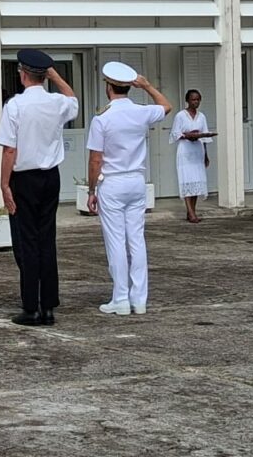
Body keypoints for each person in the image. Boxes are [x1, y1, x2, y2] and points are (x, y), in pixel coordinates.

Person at [0, 49, 78, 327]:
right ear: (44, 75)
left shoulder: (15, 105)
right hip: (50, 176)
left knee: (27, 242)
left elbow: (9, 150)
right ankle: (48, 305)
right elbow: (73, 100)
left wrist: (4, 184)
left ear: (22, 74)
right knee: (47, 240)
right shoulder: (56, 102)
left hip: (24, 178)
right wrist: (55, 75)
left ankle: (31, 306)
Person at [86, 62, 171, 316]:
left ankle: (121, 298)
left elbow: (95, 160)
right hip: (136, 180)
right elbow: (166, 106)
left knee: (116, 242)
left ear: (108, 87)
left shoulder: (102, 118)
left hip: (112, 182)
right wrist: (147, 86)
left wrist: (91, 191)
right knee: (136, 240)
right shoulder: (141, 112)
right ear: (129, 87)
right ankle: (139, 299)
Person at [170, 89, 215, 223]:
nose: (196, 102)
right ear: (187, 100)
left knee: (196, 181)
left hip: (197, 151)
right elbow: (175, 133)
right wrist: (188, 135)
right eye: (193, 99)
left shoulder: (201, 117)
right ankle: (190, 212)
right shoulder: (180, 116)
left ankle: (192, 212)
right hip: (185, 151)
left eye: (198, 99)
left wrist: (206, 155)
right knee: (187, 180)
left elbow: (204, 136)